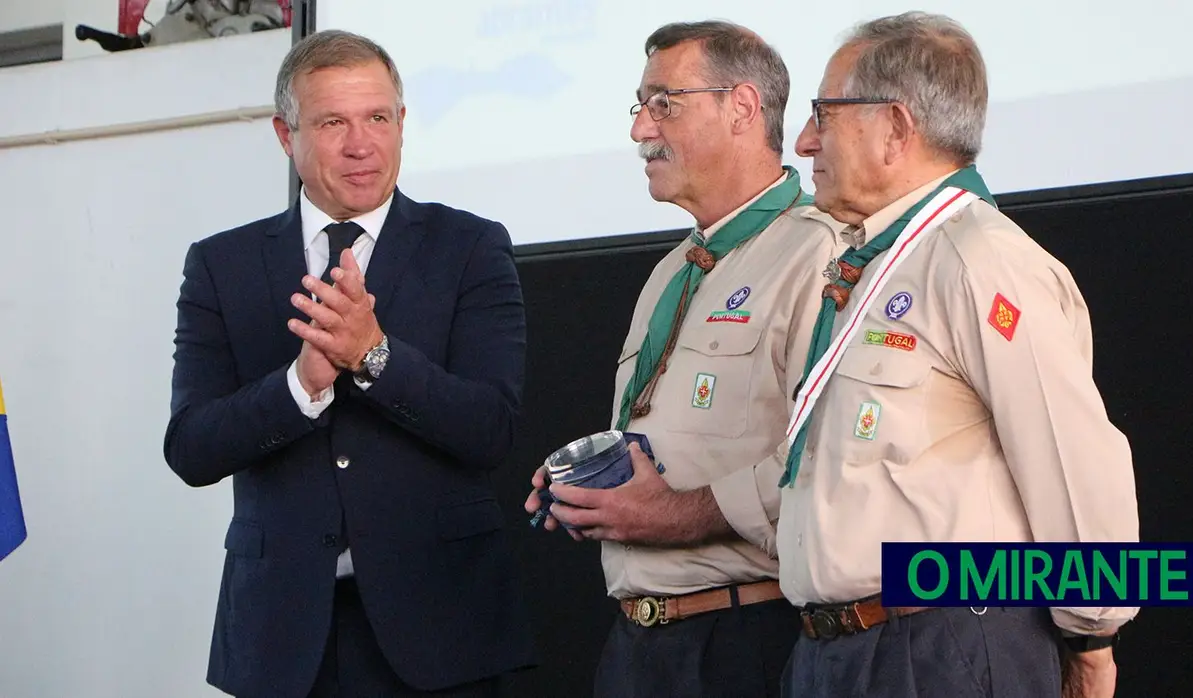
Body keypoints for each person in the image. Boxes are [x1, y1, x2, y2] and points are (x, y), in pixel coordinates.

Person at [776, 11, 1139, 698]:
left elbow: (1072, 461)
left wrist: (1091, 639)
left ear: (896, 127)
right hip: (835, 654)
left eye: (824, 115)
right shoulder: (868, 263)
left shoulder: (982, 261)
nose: (803, 141)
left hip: (941, 649)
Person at [163, 29, 534, 698]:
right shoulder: (222, 266)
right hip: (280, 640)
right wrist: (301, 385)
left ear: (401, 123)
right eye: (334, 122)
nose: (362, 144)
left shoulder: (470, 247)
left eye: (379, 118)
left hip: (442, 633)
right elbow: (191, 448)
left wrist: (374, 356)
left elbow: (492, 429)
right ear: (286, 135)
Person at [523, 20, 848, 698]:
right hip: (638, 648)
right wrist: (591, 490)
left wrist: (673, 512)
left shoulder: (823, 256)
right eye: (640, 106)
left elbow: (828, 465)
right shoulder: (674, 270)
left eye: (664, 102)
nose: (641, 130)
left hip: (747, 642)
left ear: (742, 108)